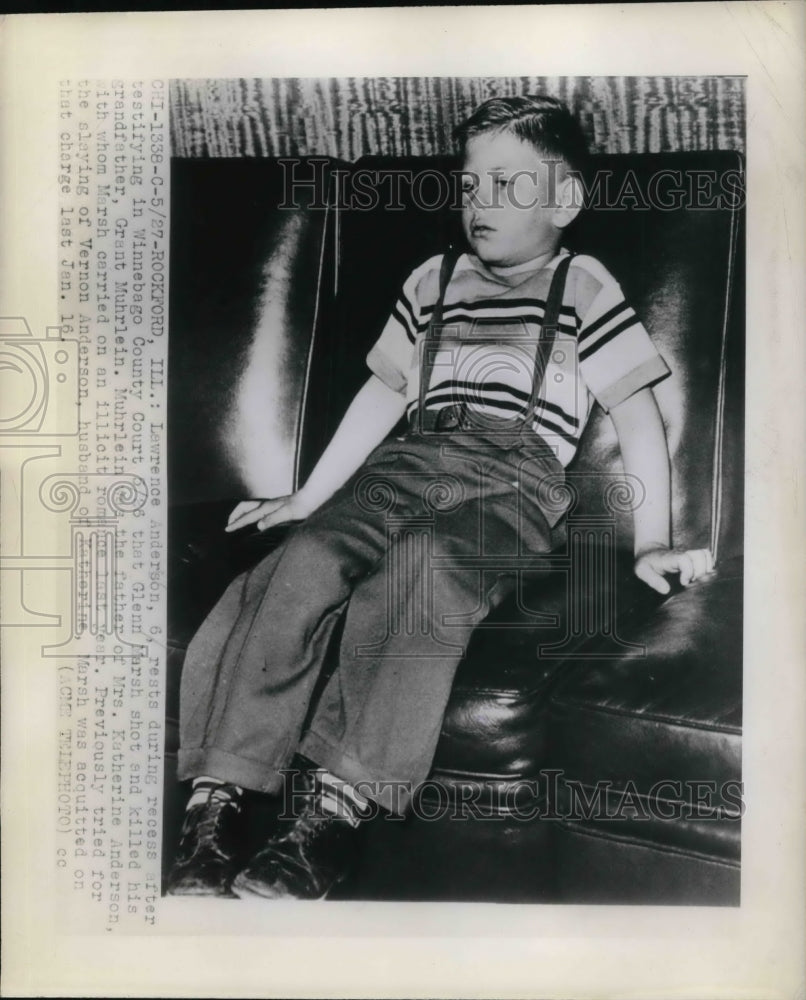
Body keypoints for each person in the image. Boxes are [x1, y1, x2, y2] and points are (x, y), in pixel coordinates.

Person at [166, 94, 713, 900]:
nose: (479, 204)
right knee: (303, 559)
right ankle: (217, 803)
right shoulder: (433, 279)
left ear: (564, 201)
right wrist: (308, 496)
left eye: (506, 185)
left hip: (513, 476)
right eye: (469, 185)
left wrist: (653, 541)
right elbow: (382, 398)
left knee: (425, 573)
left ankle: (332, 815)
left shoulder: (584, 284)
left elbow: (638, 413)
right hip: (406, 461)